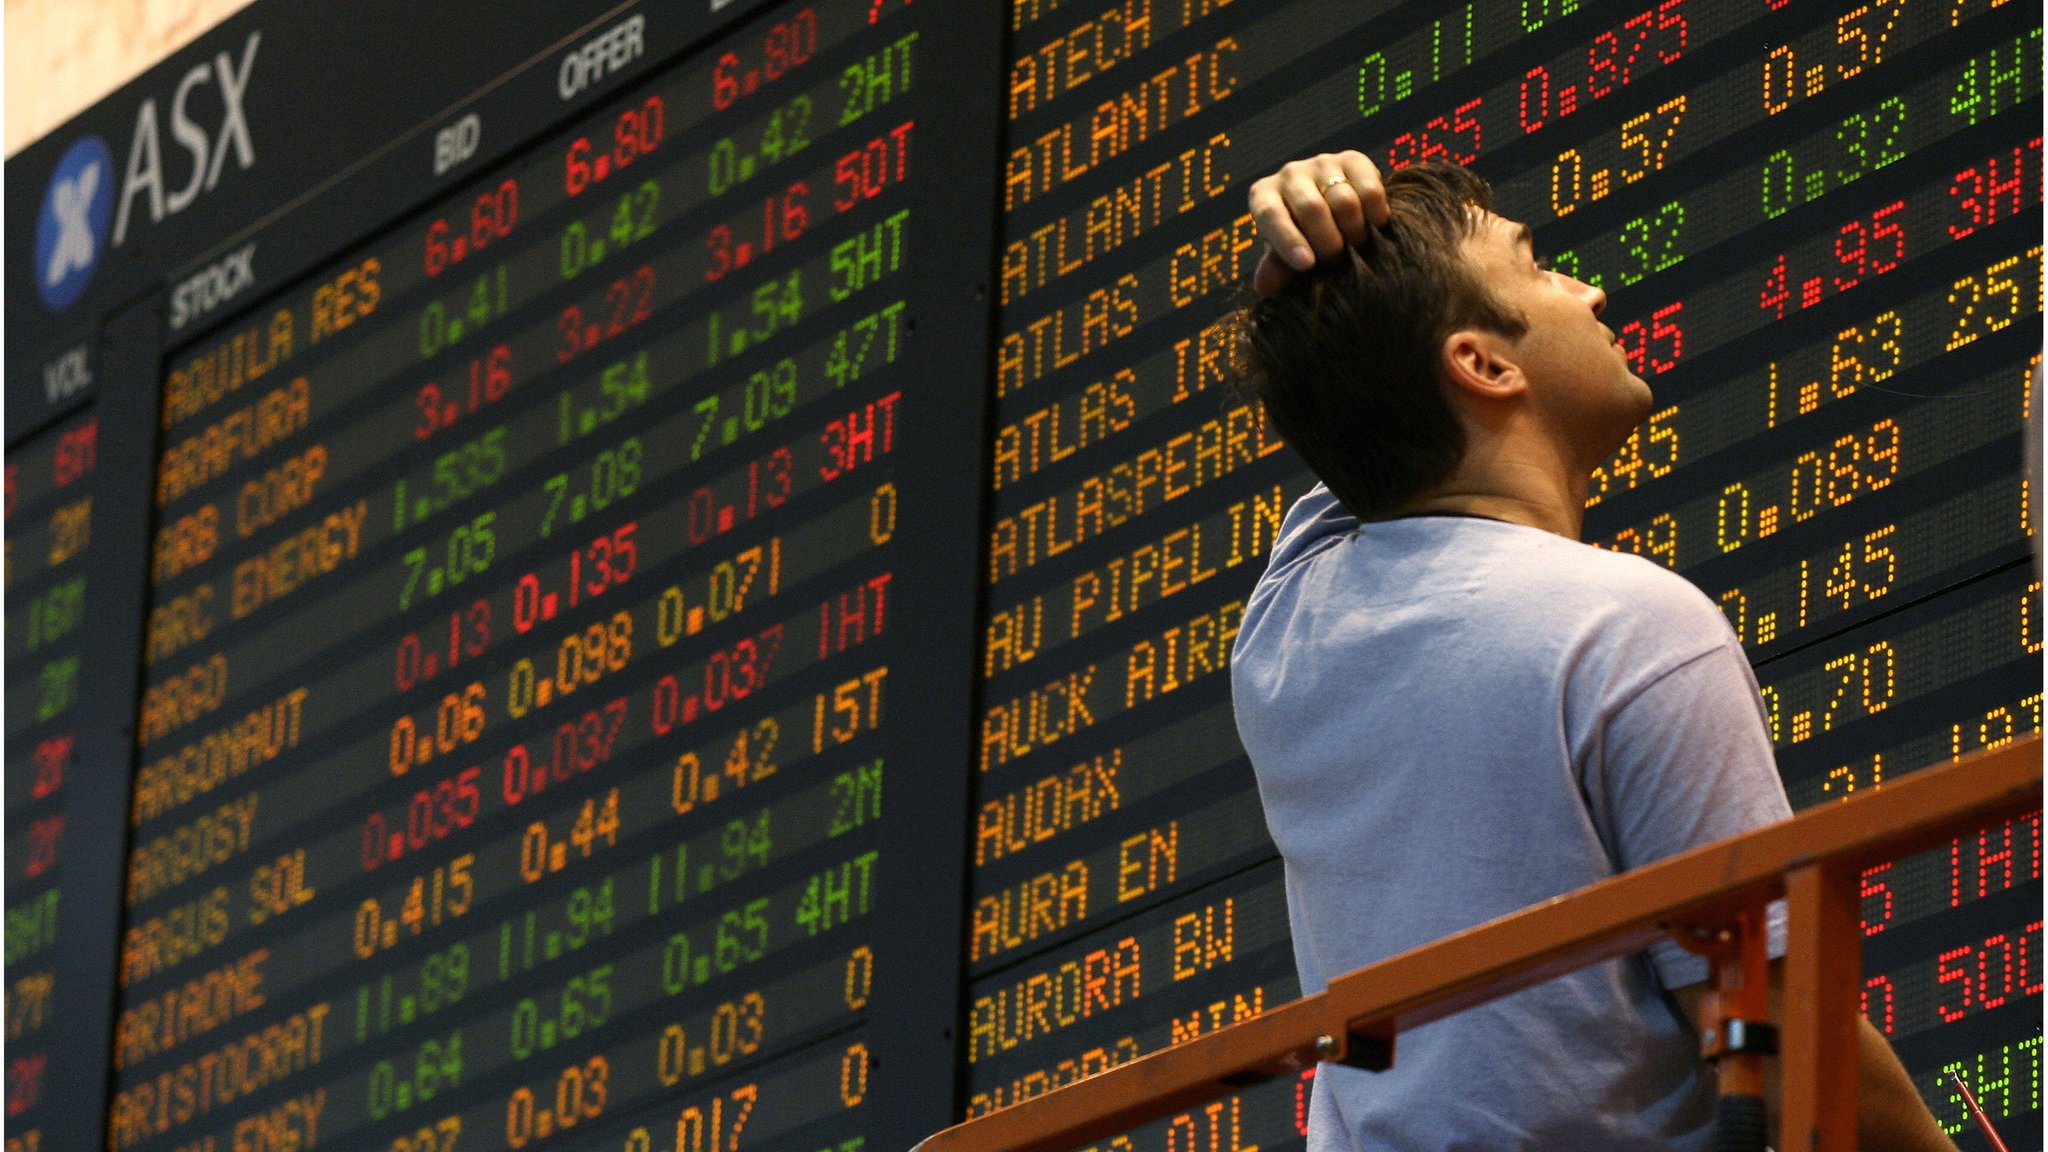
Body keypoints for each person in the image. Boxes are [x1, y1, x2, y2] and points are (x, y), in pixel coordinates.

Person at [1227, 154, 1957, 1151]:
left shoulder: (1285, 627)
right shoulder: (1624, 625)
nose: (1588, 290)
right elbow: (1793, 1044)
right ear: (1484, 364)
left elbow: (1356, 411)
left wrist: (1307, 285)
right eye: (1537, 268)